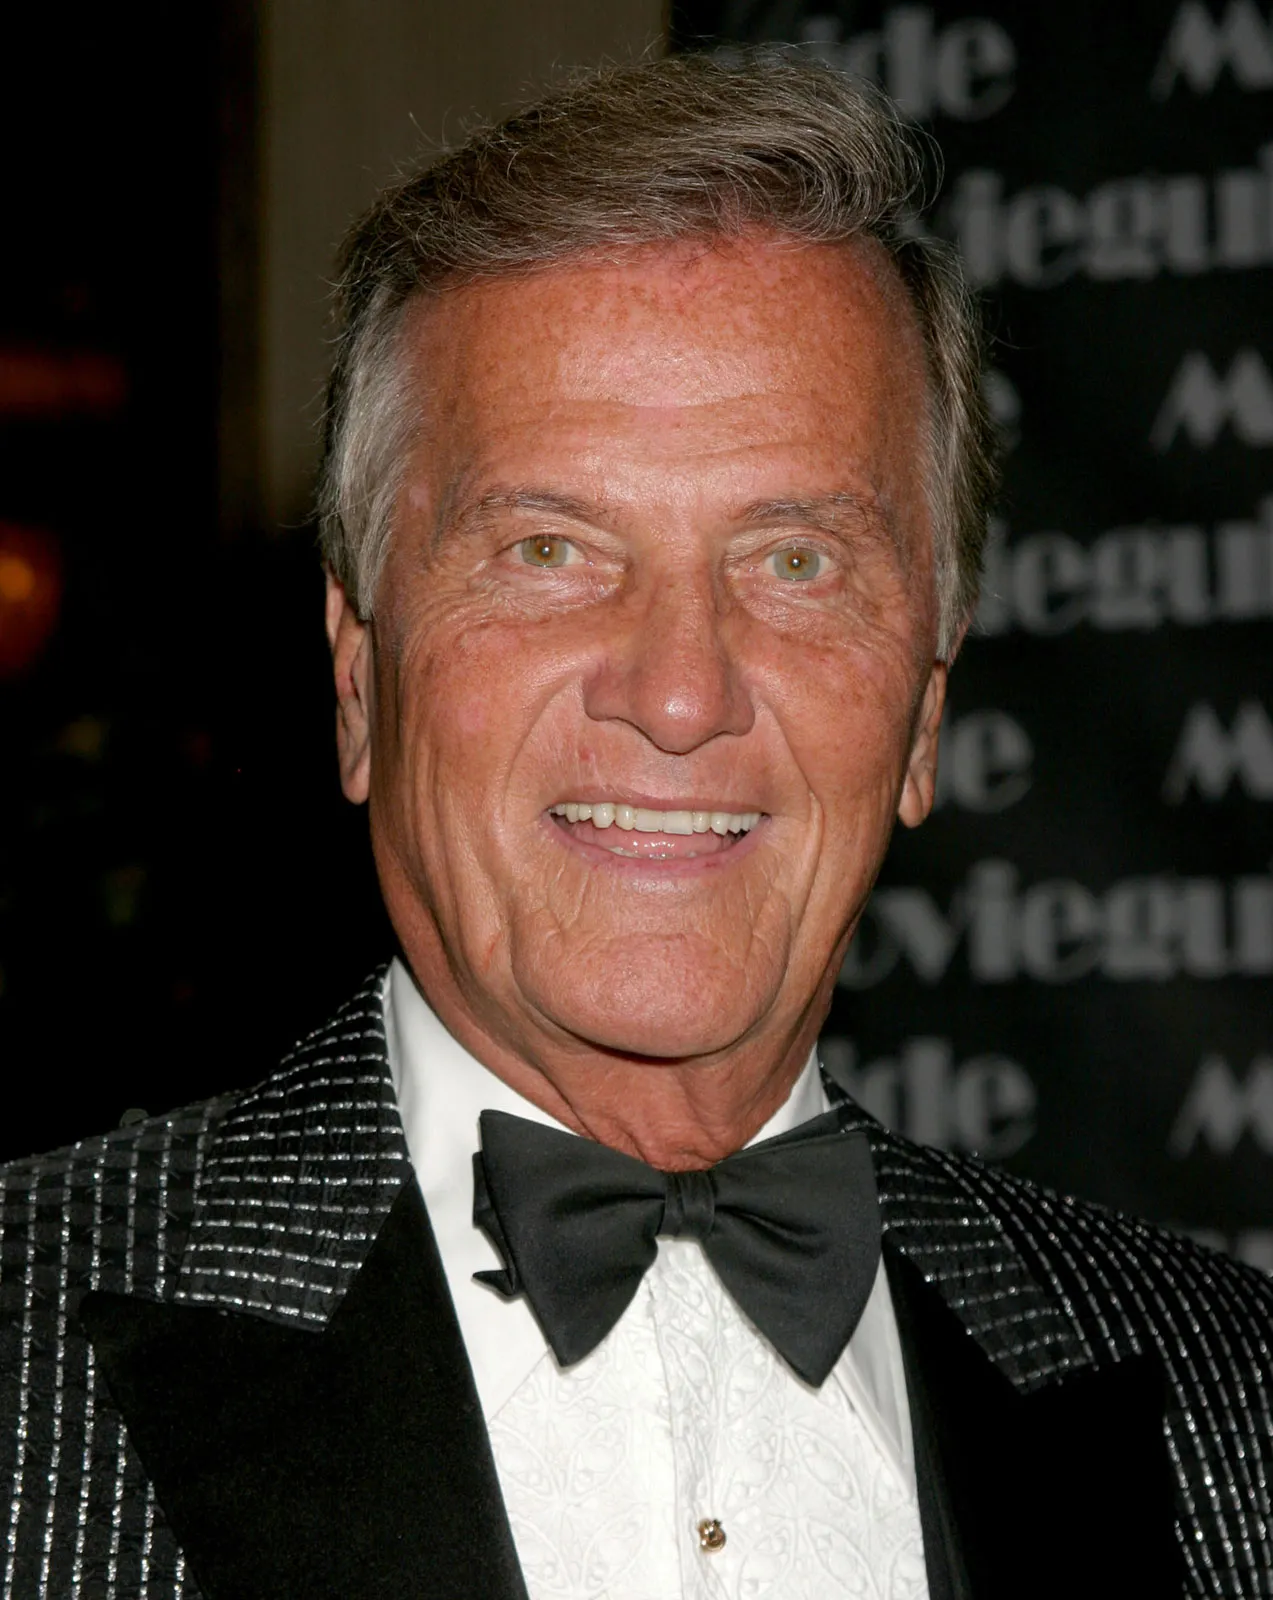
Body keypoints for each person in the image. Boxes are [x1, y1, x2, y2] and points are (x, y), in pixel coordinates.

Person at [1, 52, 1269, 1600]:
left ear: (927, 711)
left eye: (795, 562)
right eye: (549, 549)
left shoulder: (1230, 1408)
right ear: (356, 679)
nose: (679, 694)